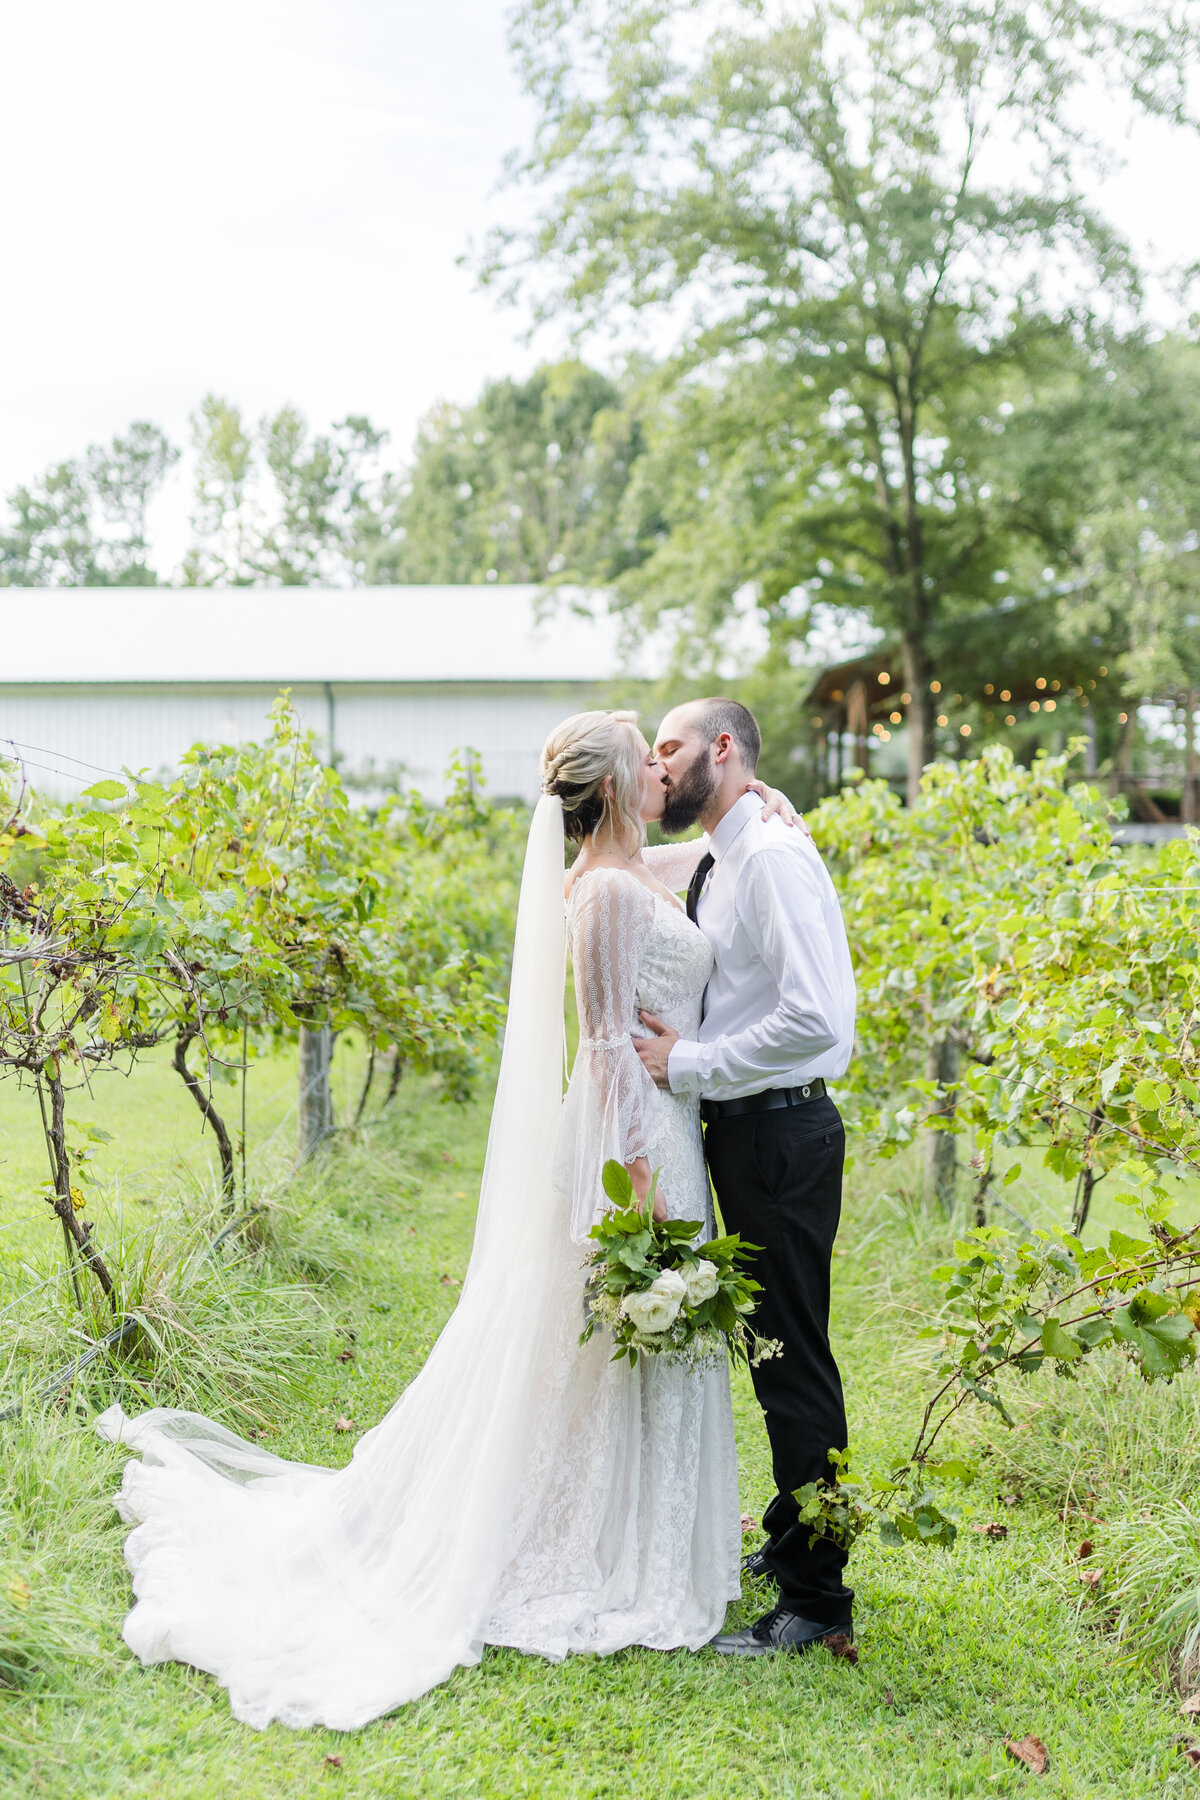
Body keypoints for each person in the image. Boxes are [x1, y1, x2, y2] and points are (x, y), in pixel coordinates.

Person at [95, 709, 801, 1730]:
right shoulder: (602, 893)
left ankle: (643, 1537)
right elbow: (604, 1048)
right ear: (611, 791)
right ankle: (595, 1548)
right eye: (645, 758)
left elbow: (689, 855)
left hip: (669, 1125)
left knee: (629, 1352)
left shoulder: (635, 870)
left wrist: (756, 806)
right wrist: (637, 1187)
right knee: (614, 1342)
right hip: (633, 1142)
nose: (662, 769)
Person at [634, 697, 857, 1656]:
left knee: (793, 1361)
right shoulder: (733, 846)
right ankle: (793, 1536)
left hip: (780, 1133)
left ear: (721, 750)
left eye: (669, 747)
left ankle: (816, 1599)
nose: (659, 762)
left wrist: (689, 1065)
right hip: (750, 1132)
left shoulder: (764, 856)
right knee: (774, 1351)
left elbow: (819, 1021)